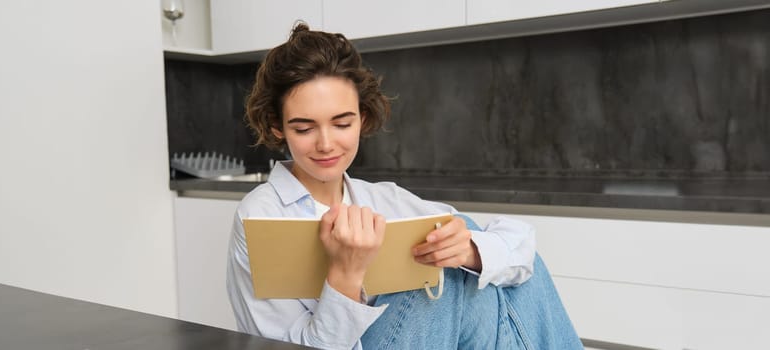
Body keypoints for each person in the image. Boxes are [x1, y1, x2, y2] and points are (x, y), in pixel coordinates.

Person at [226, 23, 582, 350]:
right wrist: (346, 274)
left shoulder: (383, 199)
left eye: (341, 124)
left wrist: (471, 251)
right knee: (439, 279)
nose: (325, 144)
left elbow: (523, 249)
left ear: (361, 119)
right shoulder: (260, 216)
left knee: (476, 254)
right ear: (277, 126)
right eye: (304, 128)